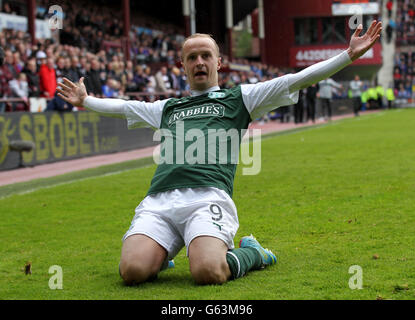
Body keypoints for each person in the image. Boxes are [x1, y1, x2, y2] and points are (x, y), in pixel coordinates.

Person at [57, 21, 382, 286]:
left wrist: (347, 56)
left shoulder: (240, 98)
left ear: (218, 62)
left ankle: (253, 253)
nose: (200, 62)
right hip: (160, 203)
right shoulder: (168, 108)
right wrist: (86, 101)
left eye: (206, 56)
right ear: (182, 65)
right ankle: (162, 253)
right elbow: (124, 107)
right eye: (192, 57)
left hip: (207, 200)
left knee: (208, 272)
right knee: (132, 272)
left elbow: (297, 79)